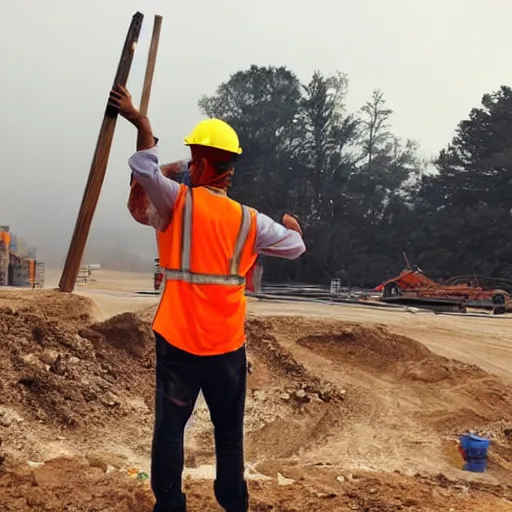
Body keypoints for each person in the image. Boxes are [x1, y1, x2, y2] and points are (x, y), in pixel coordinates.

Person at [109, 84, 306, 512]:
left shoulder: (177, 200)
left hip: (179, 343)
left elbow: (144, 169)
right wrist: (295, 227)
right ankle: (234, 505)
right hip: (226, 349)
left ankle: (171, 506)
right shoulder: (249, 221)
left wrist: (142, 123)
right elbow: (294, 246)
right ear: (230, 167)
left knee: (170, 432)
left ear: (198, 163)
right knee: (229, 435)